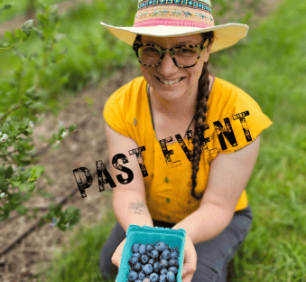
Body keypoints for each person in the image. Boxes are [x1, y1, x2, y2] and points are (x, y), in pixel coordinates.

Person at [97, 1, 271, 281]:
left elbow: (217, 206)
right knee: (112, 267)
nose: (167, 69)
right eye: (152, 49)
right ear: (138, 49)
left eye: (185, 50)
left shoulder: (238, 116)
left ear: (208, 48)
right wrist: (144, 239)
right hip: (150, 215)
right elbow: (128, 191)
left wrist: (179, 239)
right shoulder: (122, 108)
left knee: (193, 276)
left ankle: (214, 261)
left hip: (211, 218)